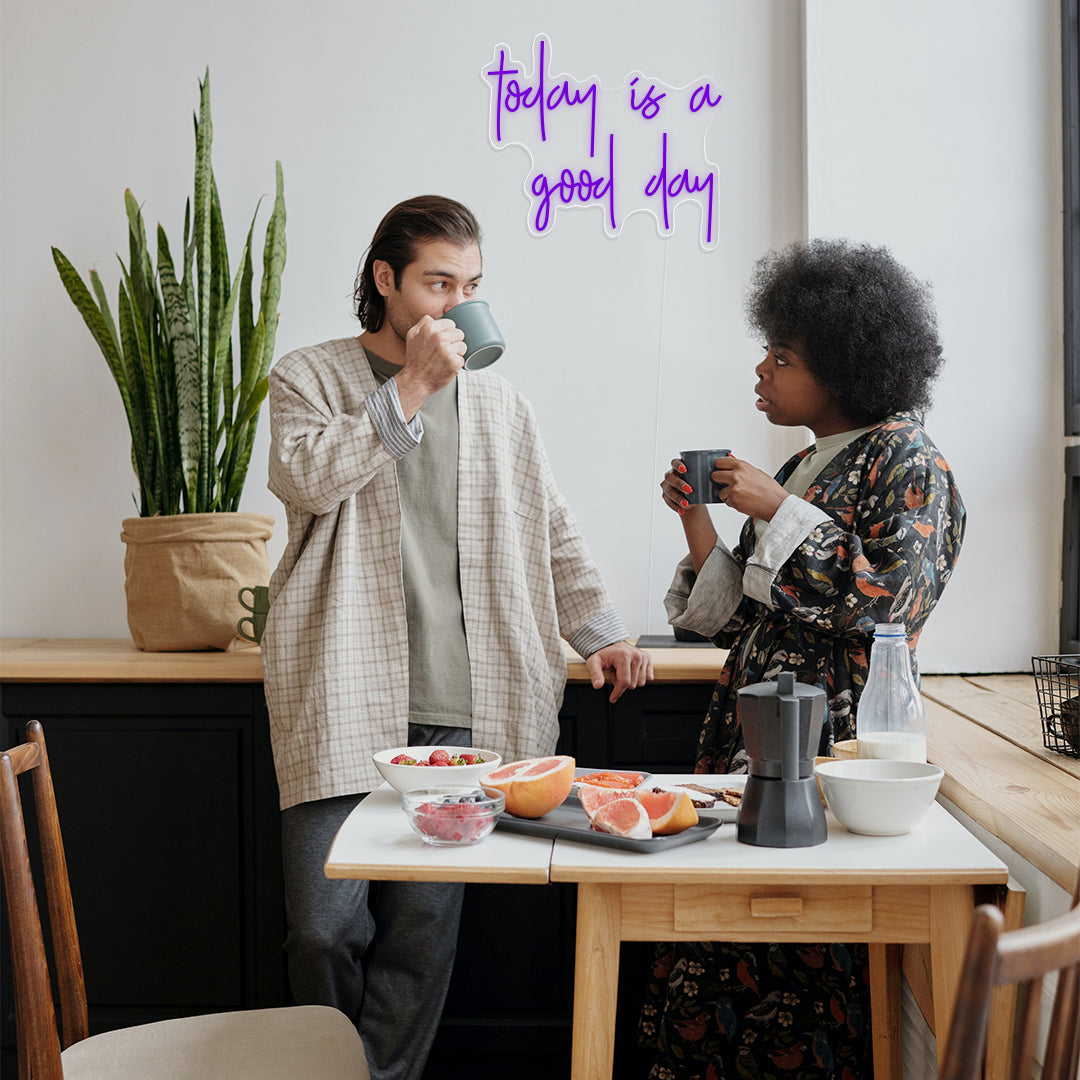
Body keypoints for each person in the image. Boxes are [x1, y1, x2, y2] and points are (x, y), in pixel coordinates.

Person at [260, 195, 652, 1080]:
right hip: (342, 696)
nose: (455, 303)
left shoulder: (502, 404)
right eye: (439, 283)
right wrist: (413, 386)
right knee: (323, 928)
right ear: (386, 279)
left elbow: (553, 529)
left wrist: (602, 635)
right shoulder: (309, 376)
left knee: (422, 935)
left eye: (471, 285)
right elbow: (308, 477)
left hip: (467, 711)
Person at [639, 238, 965, 1079]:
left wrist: (778, 506)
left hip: (833, 740)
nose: (762, 370)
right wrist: (699, 522)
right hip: (754, 731)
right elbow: (738, 613)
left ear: (847, 365)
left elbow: (891, 600)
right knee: (720, 930)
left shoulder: (907, 459)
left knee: (805, 939)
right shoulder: (800, 461)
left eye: (781, 357)